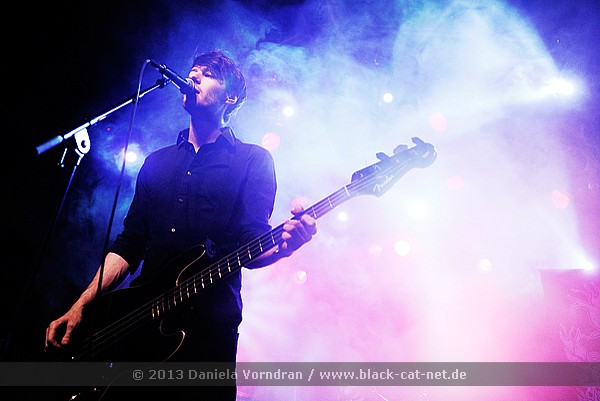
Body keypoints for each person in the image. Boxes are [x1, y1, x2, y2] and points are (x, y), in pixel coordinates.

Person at [44, 50, 317, 400]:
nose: (194, 75)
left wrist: (285, 247)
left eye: (208, 73)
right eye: (194, 70)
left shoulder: (253, 160)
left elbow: (253, 241)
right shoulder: (156, 162)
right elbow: (129, 244)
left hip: (207, 337)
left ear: (230, 98)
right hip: (138, 327)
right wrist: (81, 304)